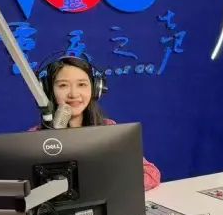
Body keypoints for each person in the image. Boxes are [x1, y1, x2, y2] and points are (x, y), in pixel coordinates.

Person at [34, 56, 161, 191]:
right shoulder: (34, 137)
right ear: (48, 90)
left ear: (95, 89)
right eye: (63, 85)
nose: (73, 94)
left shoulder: (109, 129)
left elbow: (151, 174)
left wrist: (112, 183)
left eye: (82, 84)